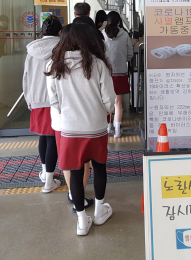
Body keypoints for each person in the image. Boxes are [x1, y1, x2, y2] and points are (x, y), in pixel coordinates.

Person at [46, 24, 115, 236]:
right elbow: (109, 99)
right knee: (99, 166)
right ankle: (100, 211)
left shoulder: (55, 65)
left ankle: (82, 221)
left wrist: (68, 114)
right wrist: (103, 112)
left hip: (69, 129)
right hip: (96, 127)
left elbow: (53, 101)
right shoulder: (98, 64)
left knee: (75, 171)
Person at [53, 25, 92, 209]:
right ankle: (80, 196)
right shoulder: (92, 63)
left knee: (67, 159)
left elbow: (53, 99)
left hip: (62, 122)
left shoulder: (54, 63)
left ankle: (72, 193)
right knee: (84, 161)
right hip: (85, 121)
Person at [22, 15, 62, 193]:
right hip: (56, 99)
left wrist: (29, 99)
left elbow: (26, 76)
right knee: (52, 138)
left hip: (37, 98)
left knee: (43, 136)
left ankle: (46, 173)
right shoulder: (62, 47)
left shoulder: (32, 50)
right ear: (60, 32)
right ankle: (49, 181)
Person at [102, 11, 133, 138]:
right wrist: (123, 59)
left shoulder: (103, 34)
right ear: (119, 22)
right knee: (118, 102)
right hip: (120, 72)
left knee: (106, 101)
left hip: (106, 72)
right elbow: (130, 53)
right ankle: (118, 131)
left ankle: (108, 128)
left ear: (107, 21)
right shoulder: (124, 34)